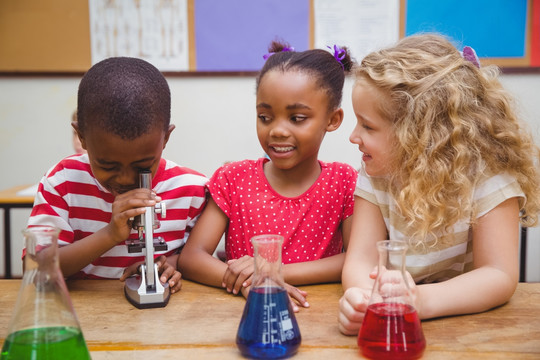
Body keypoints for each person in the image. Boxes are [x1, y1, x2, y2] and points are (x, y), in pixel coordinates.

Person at [338, 34, 540, 335]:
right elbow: (360, 260)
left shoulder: (490, 178)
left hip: (468, 329)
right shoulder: (374, 174)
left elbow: (498, 274)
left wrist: (420, 302)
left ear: (419, 132)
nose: (353, 136)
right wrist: (366, 299)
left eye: (367, 125)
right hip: (395, 321)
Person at [178, 41, 358, 310]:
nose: (277, 131)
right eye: (265, 117)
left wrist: (269, 272)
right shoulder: (233, 178)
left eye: (296, 118)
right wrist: (252, 282)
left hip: (318, 313)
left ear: (332, 119)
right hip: (244, 312)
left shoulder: (344, 182)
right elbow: (192, 257)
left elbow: (355, 259)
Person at [26, 57, 208, 294]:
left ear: (166, 138)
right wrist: (110, 234)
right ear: (81, 137)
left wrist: (169, 265)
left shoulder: (193, 191)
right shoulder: (62, 183)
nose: (124, 179)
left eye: (142, 165)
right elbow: (35, 270)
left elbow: (200, 258)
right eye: (108, 165)